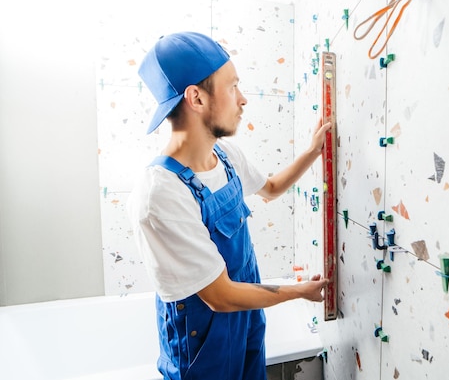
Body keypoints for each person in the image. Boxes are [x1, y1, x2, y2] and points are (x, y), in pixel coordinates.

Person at [127, 31, 330, 380]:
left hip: (245, 316)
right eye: (233, 86)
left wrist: (313, 151)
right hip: (204, 342)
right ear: (196, 98)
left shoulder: (226, 157)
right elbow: (219, 296)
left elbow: (270, 189)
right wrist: (299, 291)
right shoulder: (160, 194)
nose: (244, 99)